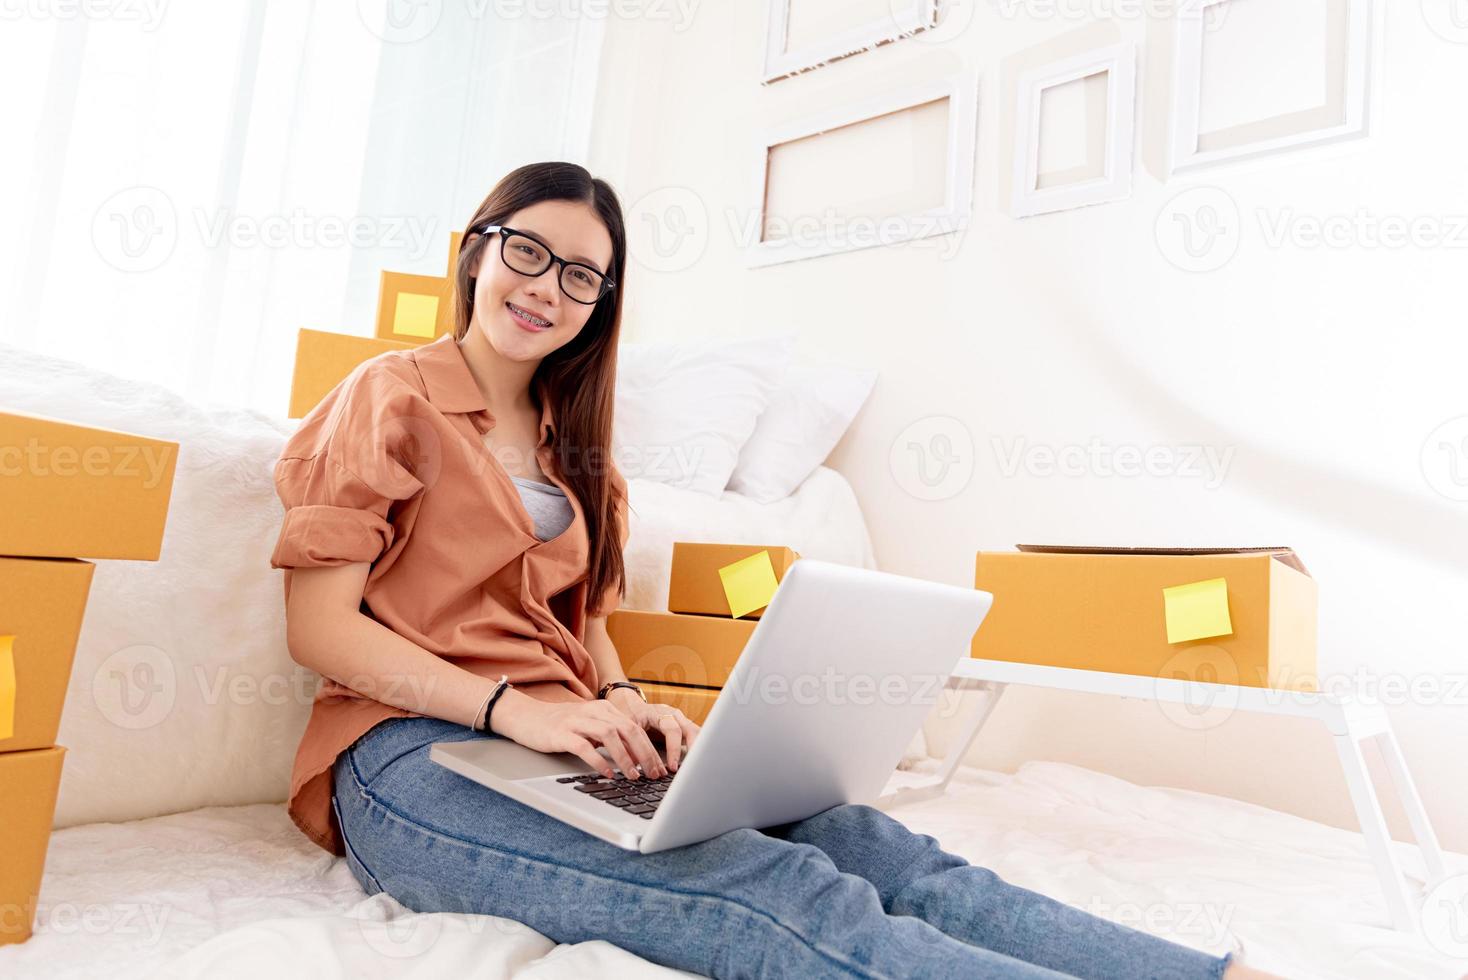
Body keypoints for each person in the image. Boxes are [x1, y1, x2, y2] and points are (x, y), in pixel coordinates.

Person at [271, 161, 1280, 979]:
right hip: (413, 758)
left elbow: (579, 624)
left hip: (566, 742)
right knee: (779, 894)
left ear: (602, 300)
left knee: (882, 849)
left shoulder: (578, 445)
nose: (547, 287)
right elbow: (320, 628)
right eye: (527, 252)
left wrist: (624, 696)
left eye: (582, 273)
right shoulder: (386, 397)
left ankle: (1216, 974)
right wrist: (515, 711)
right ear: (475, 252)